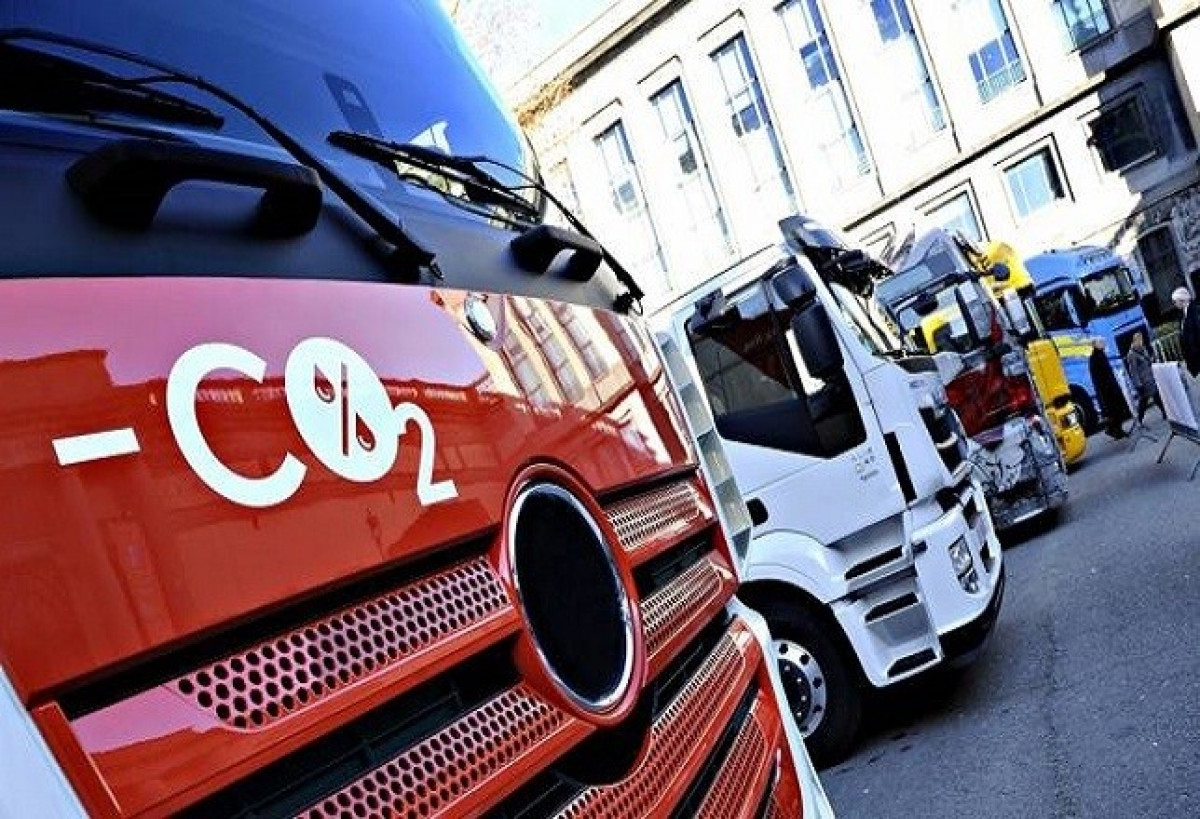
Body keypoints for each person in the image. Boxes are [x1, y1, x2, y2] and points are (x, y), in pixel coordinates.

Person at [1088, 337, 1131, 439]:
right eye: (1101, 342)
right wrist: (1109, 387)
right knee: (1115, 411)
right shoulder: (1094, 358)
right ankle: (1114, 430)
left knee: (1118, 410)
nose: (1103, 343)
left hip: (1110, 388)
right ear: (1095, 345)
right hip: (1107, 391)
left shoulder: (1100, 355)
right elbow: (1099, 377)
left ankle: (1116, 430)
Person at [1124, 331, 1162, 423]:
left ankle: (1164, 412)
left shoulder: (1143, 349)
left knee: (1155, 396)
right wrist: (1138, 384)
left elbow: (1147, 361)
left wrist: (1151, 359)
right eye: (1139, 340)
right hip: (1143, 381)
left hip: (1149, 378)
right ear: (1135, 341)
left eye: (1141, 339)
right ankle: (1140, 418)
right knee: (1145, 400)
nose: (1141, 341)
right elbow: (1133, 371)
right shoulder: (1131, 354)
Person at [1174, 286, 1200, 377]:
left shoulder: (1195, 311)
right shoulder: (1182, 315)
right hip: (1193, 357)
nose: (1175, 304)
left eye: (1175, 301)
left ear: (1182, 300)